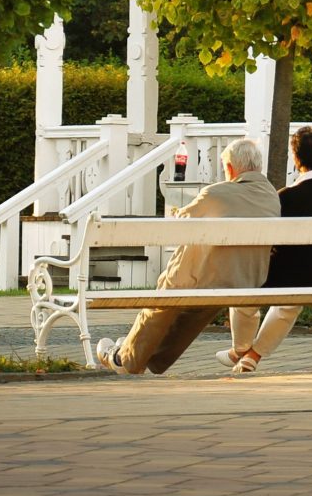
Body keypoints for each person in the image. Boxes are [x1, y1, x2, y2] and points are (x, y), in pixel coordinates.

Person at [94, 137, 278, 376]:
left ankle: (124, 359)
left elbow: (179, 225)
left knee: (162, 300)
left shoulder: (215, 193)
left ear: (230, 168)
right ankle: (152, 359)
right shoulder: (272, 196)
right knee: (195, 308)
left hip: (203, 281)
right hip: (246, 282)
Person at [219, 125, 312, 375]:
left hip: (289, 280)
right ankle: (252, 356)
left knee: (245, 291)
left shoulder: (285, 197)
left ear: (296, 158)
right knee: (291, 300)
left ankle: (241, 349)